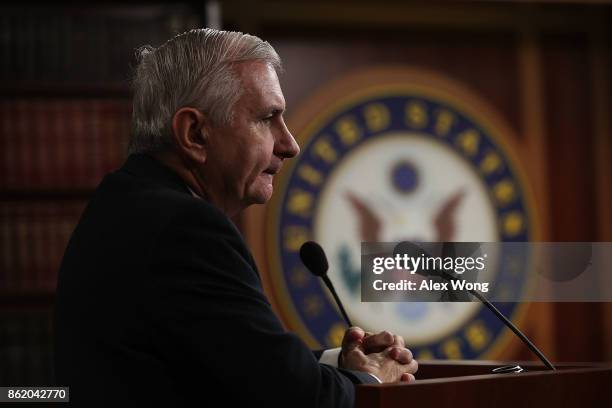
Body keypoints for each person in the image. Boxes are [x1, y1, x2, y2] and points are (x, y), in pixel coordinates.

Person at [54, 28, 418, 407]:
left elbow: (230, 368)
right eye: (268, 118)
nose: (289, 144)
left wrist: (340, 365)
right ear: (195, 133)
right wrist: (372, 378)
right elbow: (295, 399)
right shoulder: (185, 230)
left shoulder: (126, 205)